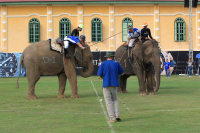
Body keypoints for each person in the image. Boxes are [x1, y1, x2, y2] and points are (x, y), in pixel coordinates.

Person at [98, 51, 124, 123]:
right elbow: (122, 72)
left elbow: (99, 74)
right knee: (115, 100)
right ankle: (117, 115)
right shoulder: (116, 63)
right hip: (115, 84)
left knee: (108, 101)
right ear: (112, 57)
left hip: (106, 84)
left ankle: (112, 118)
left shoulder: (103, 64)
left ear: (106, 57)